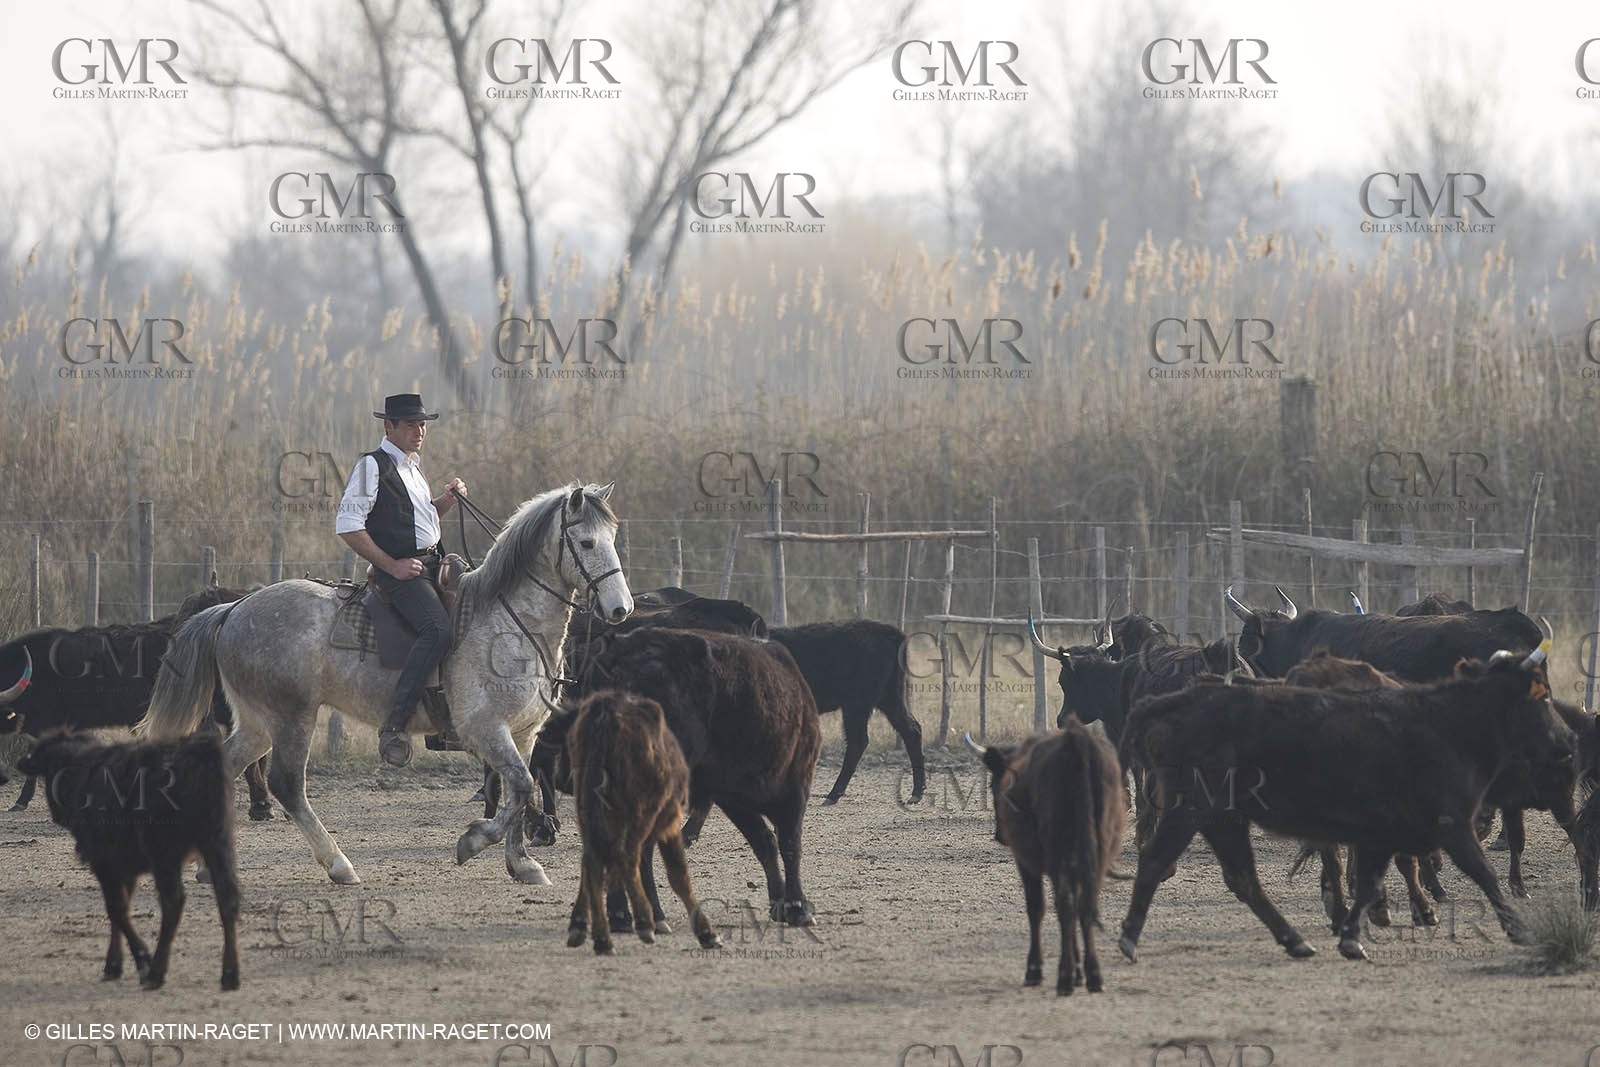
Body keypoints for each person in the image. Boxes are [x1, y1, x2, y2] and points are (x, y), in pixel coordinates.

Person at [335, 393, 467, 767]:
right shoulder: (371, 467)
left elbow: (417, 520)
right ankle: (395, 724)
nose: (420, 431)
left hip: (432, 565)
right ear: (388, 426)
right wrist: (391, 566)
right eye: (410, 424)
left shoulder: (412, 466)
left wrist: (444, 501)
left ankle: (450, 718)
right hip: (400, 573)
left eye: (422, 424)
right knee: (438, 632)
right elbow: (348, 526)